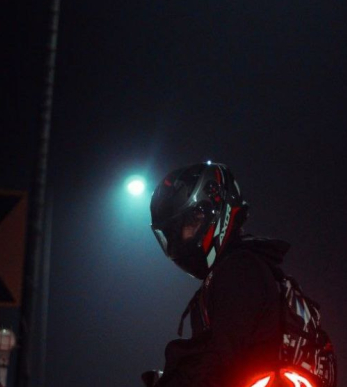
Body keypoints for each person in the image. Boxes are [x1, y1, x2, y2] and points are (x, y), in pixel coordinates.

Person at [143, 162, 335, 387]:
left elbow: (217, 363)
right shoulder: (247, 266)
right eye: (172, 235)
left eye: (188, 225)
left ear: (211, 212)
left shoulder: (238, 270)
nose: (181, 239)